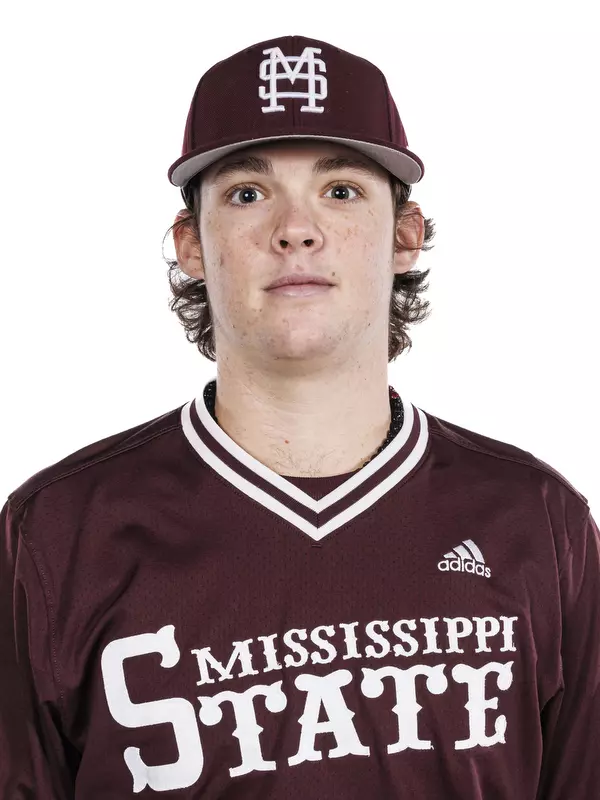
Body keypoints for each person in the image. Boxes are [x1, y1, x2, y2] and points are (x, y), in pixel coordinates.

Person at [1, 34, 598, 800]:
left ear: (406, 235)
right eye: (247, 194)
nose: (296, 229)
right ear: (191, 244)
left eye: (341, 190)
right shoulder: (57, 534)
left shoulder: (537, 522)